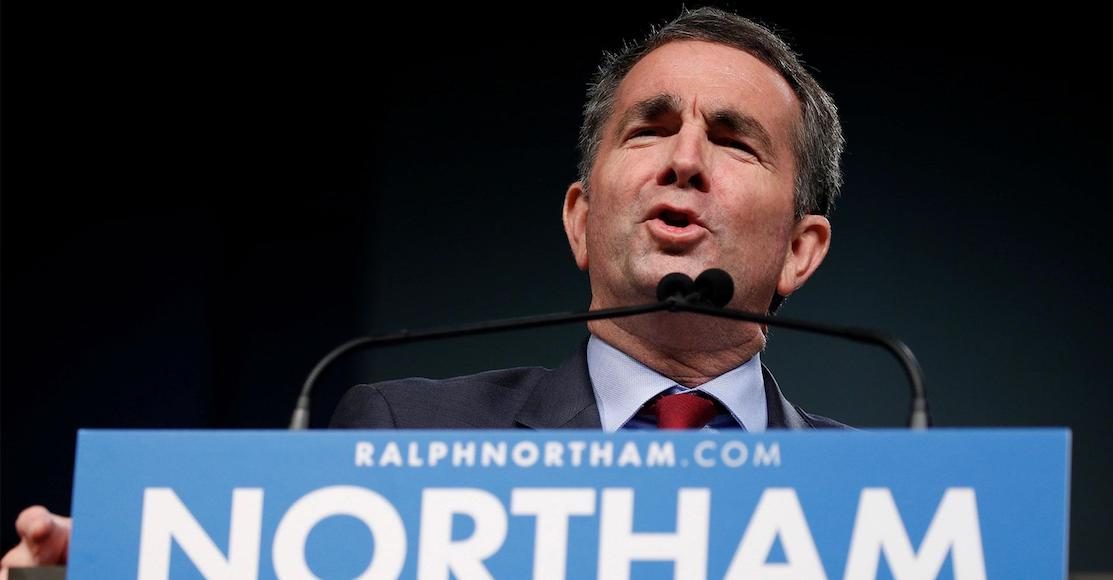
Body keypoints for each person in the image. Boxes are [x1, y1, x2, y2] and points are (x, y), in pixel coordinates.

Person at [1, 6, 846, 575]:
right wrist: (135, 563)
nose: (684, 160)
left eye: (734, 143)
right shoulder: (404, 437)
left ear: (801, 252)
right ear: (581, 220)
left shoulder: (886, 495)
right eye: (651, 129)